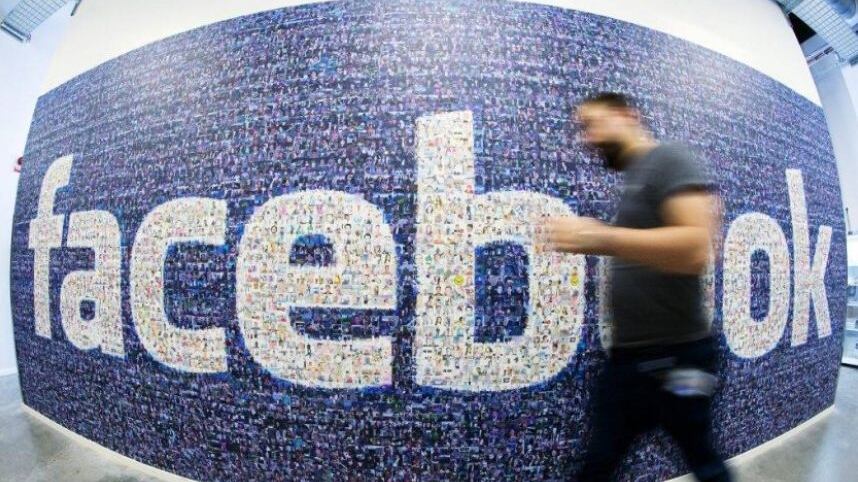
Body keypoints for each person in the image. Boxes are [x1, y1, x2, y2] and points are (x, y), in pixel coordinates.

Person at [544, 92, 732, 482]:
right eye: (583, 129)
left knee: (701, 460)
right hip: (633, 362)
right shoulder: (637, 179)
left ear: (627, 115)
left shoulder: (669, 160)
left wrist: (602, 237)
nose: (587, 138)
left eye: (593, 124)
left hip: (676, 360)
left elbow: (697, 248)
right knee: (600, 463)